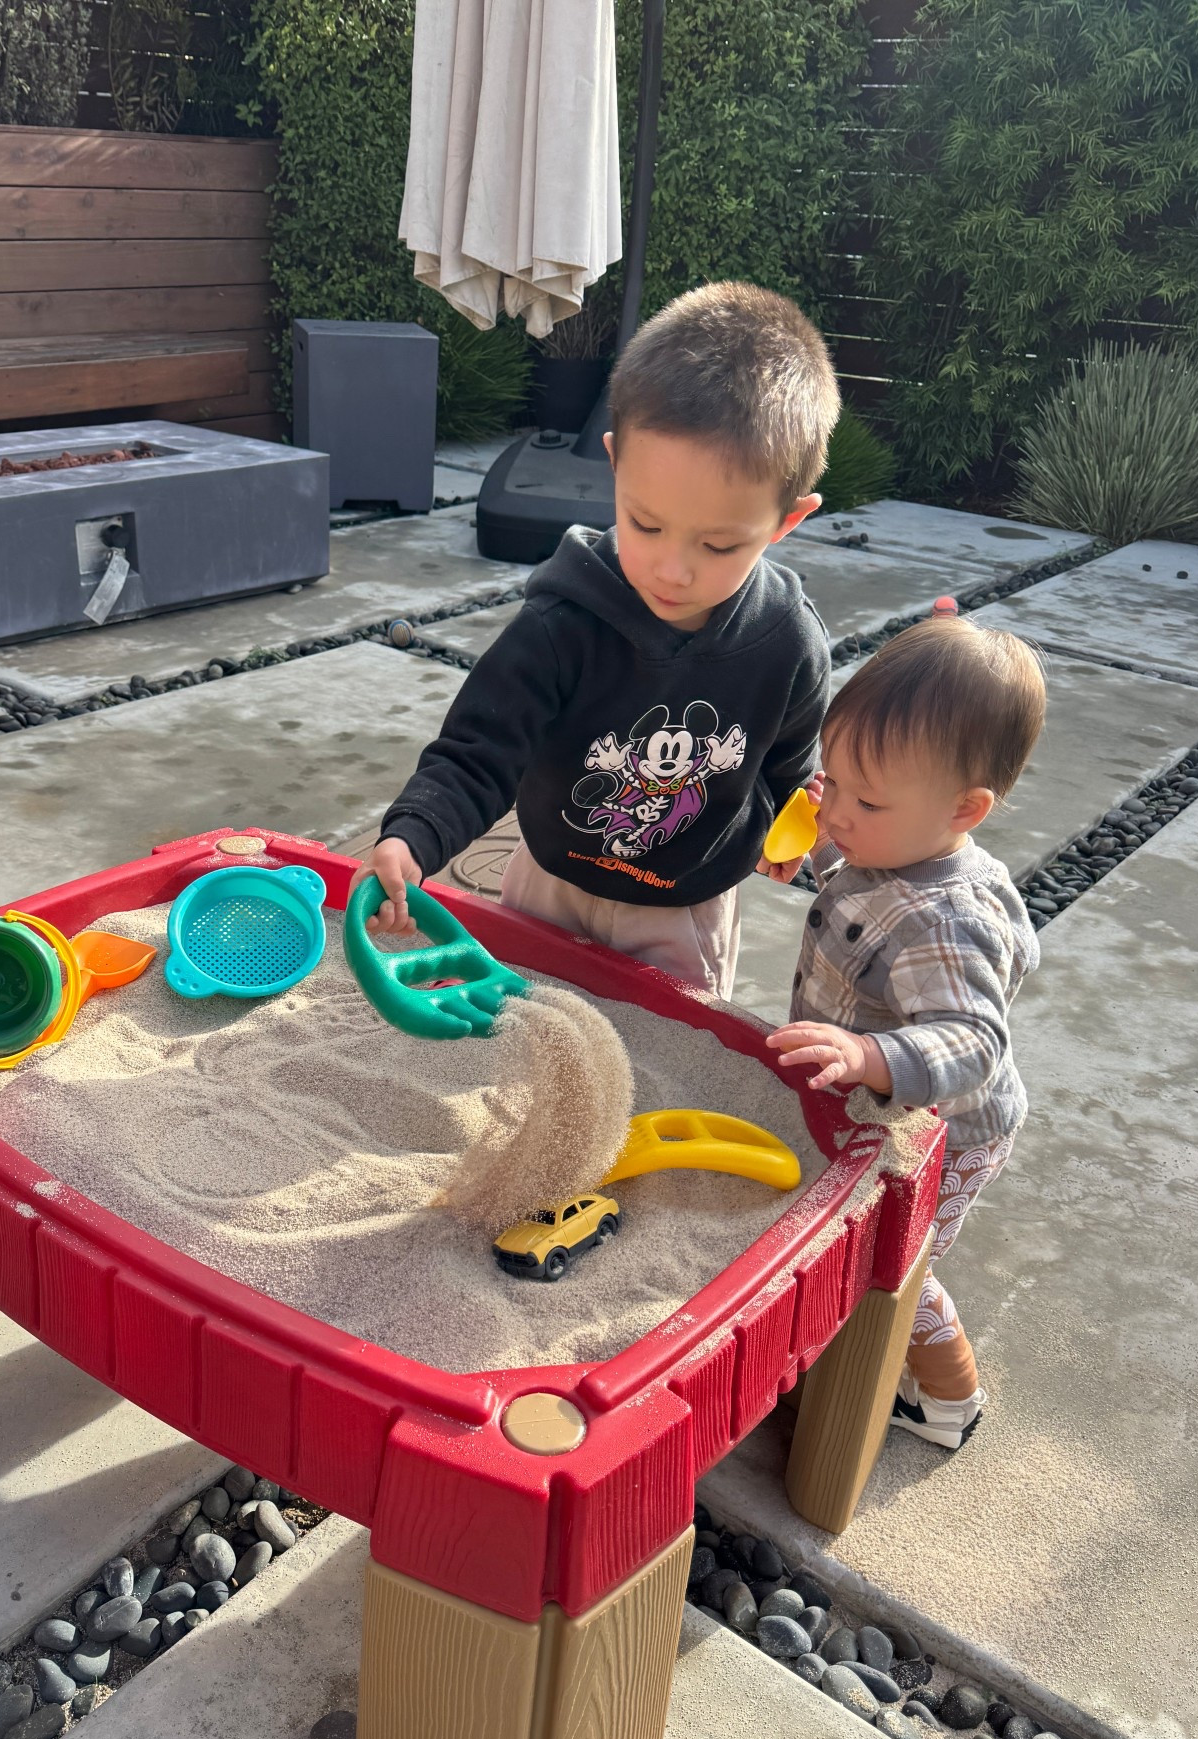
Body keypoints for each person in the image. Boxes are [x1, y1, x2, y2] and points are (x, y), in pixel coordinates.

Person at [350, 279, 841, 1003]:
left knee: (663, 1054)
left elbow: (787, 763)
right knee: (515, 1021)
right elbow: (479, 751)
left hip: (686, 906)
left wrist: (784, 827)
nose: (673, 570)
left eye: (717, 543)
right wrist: (412, 838)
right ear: (613, 465)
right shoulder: (562, 623)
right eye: (645, 524)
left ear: (785, 523)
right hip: (550, 879)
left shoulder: (789, 645)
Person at [765, 615, 1047, 1450]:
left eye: (866, 800)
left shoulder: (945, 918)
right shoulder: (894, 842)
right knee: (871, 1258)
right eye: (833, 783)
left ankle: (950, 1403)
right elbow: (854, 872)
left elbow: (973, 1041)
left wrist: (868, 1055)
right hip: (888, 1111)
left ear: (966, 810)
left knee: (901, 1269)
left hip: (946, 1135)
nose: (840, 810)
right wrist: (816, 838)